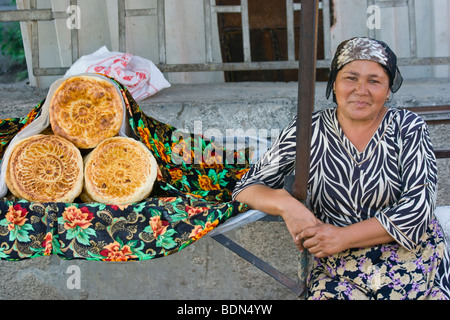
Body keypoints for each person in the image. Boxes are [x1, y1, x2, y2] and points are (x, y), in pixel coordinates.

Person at [232, 37, 450, 300]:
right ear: (333, 83)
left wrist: (343, 237)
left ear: (389, 88)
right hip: (339, 267)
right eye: (351, 78)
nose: (361, 90)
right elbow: (246, 186)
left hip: (412, 258)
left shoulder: (408, 126)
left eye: (374, 80)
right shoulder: (307, 130)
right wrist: (285, 204)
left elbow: (419, 207)